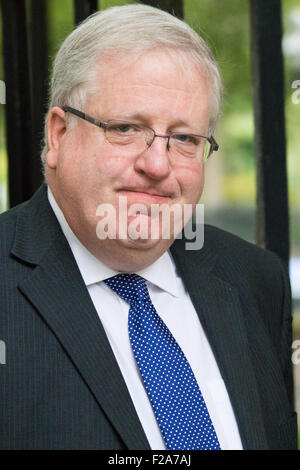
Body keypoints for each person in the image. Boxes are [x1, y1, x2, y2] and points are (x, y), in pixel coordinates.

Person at [0, 4, 297, 450]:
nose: (157, 165)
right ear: (60, 134)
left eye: (184, 139)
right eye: (125, 127)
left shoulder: (254, 280)